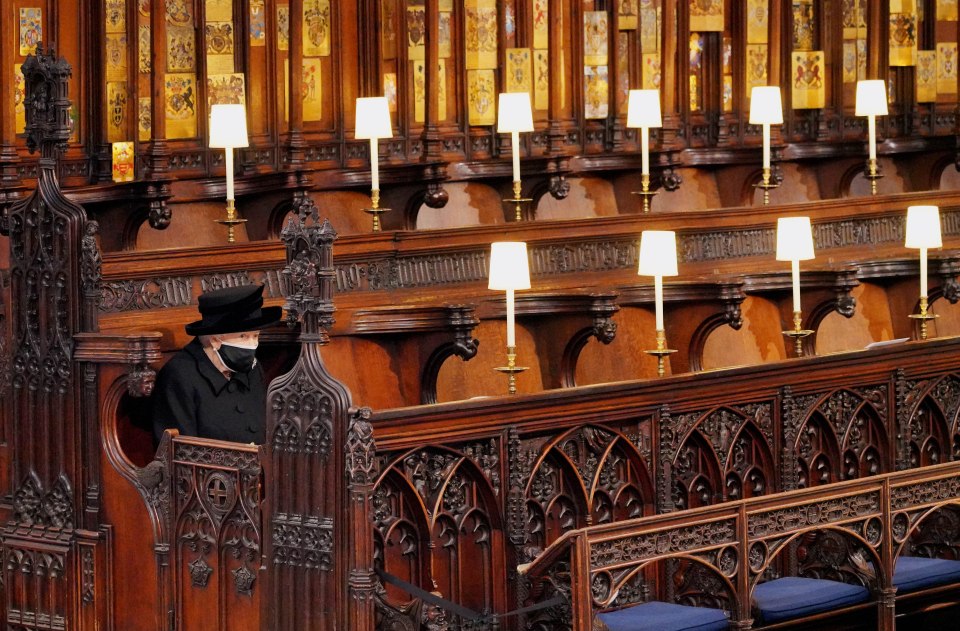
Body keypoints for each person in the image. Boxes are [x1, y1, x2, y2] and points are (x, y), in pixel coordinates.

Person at [152, 284, 281, 445]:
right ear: (214, 340)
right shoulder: (179, 376)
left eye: (255, 336)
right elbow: (178, 452)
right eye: (243, 336)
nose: (252, 344)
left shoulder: (253, 369)